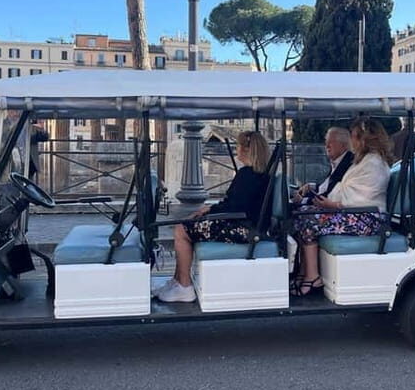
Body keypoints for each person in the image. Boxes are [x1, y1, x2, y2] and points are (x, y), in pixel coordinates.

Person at [155, 131, 271, 302]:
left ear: (246, 150)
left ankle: (185, 287)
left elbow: (234, 207)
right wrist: (209, 209)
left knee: (181, 230)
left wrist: (209, 212)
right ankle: (177, 280)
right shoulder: (256, 174)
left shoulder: (247, 175)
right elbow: (235, 203)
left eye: (238, 146)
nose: (236, 149)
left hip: (245, 229)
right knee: (186, 225)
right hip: (245, 224)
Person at [290, 117, 393, 296]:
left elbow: (363, 197)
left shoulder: (373, 163)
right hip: (358, 214)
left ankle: (313, 278)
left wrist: (333, 204)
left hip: (368, 218)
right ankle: (305, 273)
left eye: (353, 136)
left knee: (308, 221)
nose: (351, 140)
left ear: (364, 139)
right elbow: (348, 189)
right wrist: (330, 203)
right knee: (302, 214)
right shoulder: (365, 160)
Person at [292, 127, 353, 206]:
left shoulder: (348, 163)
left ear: (343, 145)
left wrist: (303, 201)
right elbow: (327, 187)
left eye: (331, 142)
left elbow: (328, 195)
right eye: (326, 141)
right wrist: (311, 186)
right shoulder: (338, 161)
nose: (327, 146)